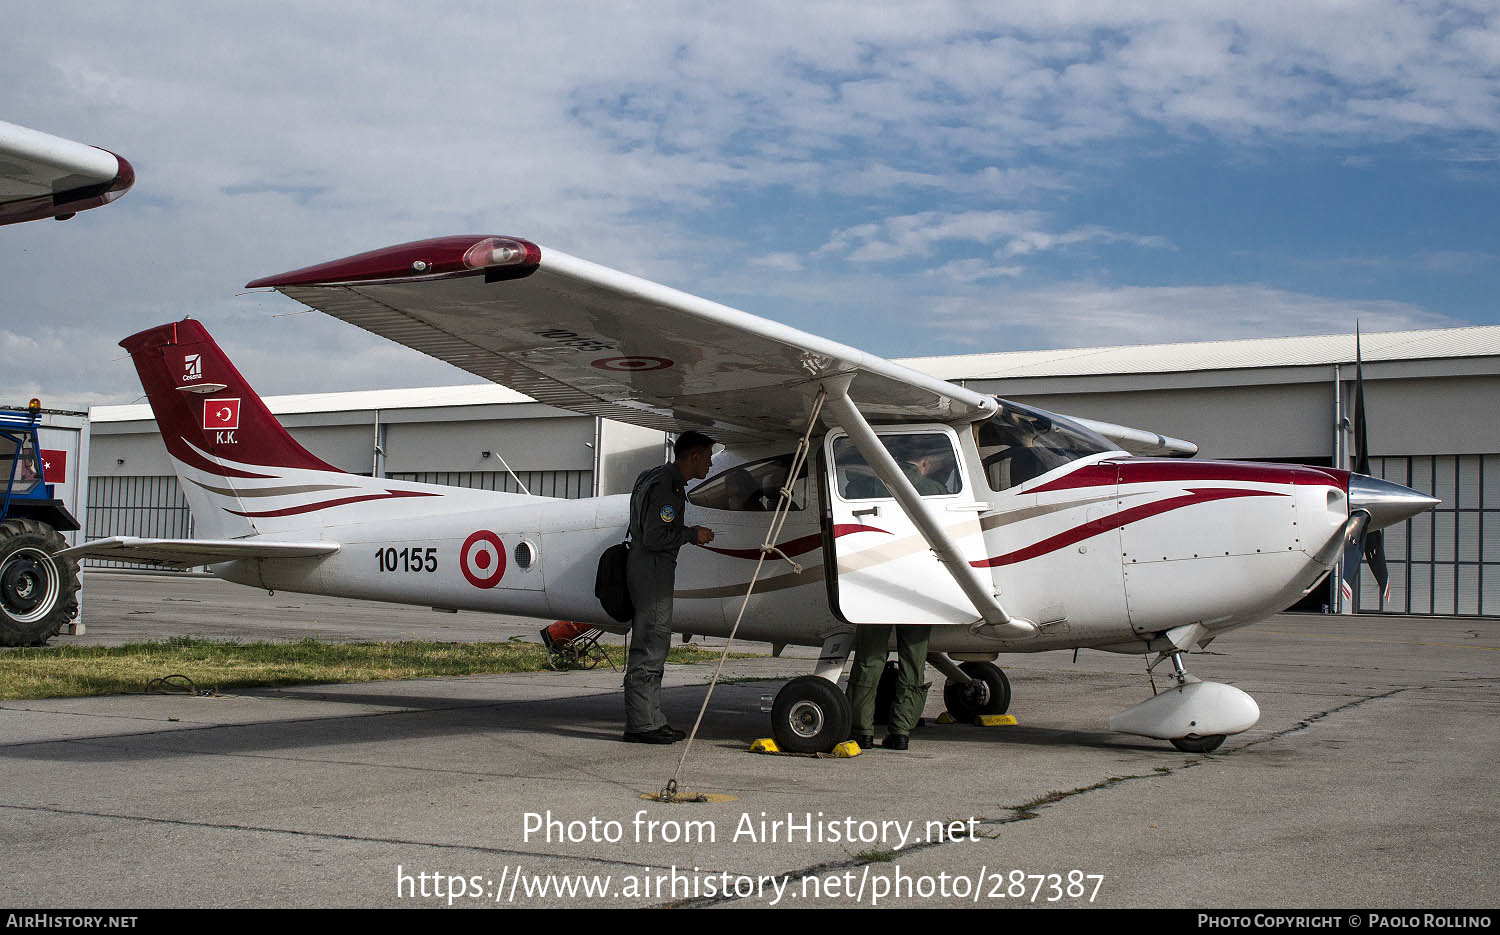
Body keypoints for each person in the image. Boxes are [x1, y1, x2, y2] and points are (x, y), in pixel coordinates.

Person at [622, 431, 716, 743]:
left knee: (652, 641)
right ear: (693, 457)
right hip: (653, 569)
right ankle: (643, 724)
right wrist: (692, 534)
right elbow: (654, 536)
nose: (711, 464)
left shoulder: (653, 476)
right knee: (651, 641)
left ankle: (650, 717)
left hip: (644, 565)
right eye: (707, 456)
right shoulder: (668, 486)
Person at [846, 624, 931, 750]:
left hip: (880, 605)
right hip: (920, 605)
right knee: (913, 663)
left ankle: (862, 731)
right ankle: (901, 732)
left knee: (869, 659)